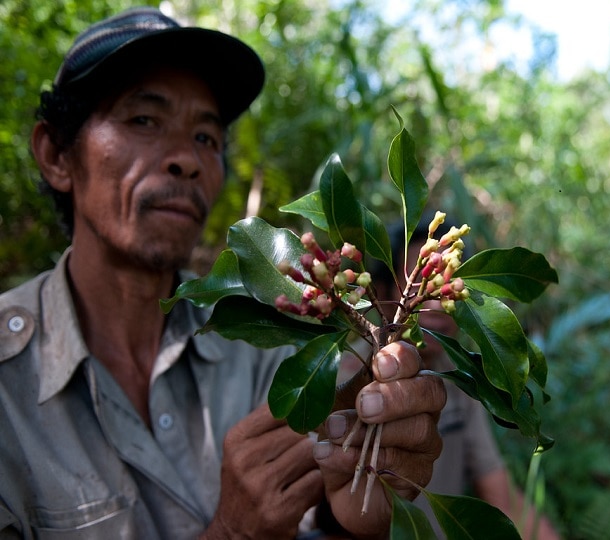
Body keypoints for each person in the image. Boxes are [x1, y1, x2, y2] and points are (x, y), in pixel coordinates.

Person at [0, 8, 446, 539]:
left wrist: (349, 510)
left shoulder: (263, 341)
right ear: (55, 155)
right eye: (143, 120)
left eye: (207, 138)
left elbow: (327, 507)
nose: (187, 159)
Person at [340, 216, 562, 539]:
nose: (437, 306)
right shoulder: (345, 378)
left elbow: (501, 496)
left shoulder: (461, 379)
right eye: (423, 285)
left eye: (445, 289)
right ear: (387, 290)